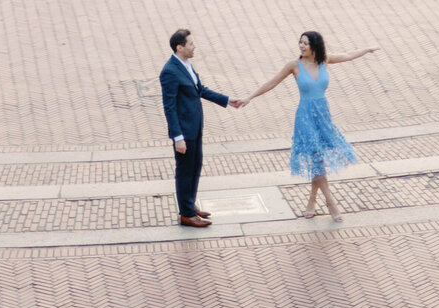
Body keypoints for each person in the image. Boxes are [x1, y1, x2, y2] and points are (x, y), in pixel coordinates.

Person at [239, 32, 378, 224]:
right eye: (300, 42)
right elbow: (272, 82)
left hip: (323, 115)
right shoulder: (294, 65)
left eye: (306, 43)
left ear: (314, 46)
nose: (301, 46)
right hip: (305, 117)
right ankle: (331, 204)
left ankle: (311, 202)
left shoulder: (324, 60)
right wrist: (250, 97)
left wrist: (367, 49)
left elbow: (347, 55)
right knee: (317, 157)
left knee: (317, 159)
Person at [158, 28, 242, 228]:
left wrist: (227, 100)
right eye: (191, 44)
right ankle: (186, 214)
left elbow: (200, 90)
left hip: (195, 128)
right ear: (180, 47)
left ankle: (190, 204)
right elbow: (169, 107)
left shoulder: (186, 64)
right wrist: (177, 137)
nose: (194, 46)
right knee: (185, 170)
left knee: (195, 167)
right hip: (184, 131)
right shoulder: (169, 72)